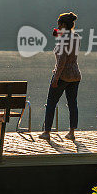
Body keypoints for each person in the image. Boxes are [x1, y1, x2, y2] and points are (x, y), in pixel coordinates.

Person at [38, 12, 81, 141]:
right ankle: (72, 132)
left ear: (63, 24)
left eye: (59, 24)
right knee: (72, 103)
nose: (57, 26)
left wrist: (56, 79)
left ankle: (46, 132)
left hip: (62, 75)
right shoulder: (76, 37)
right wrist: (59, 34)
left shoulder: (63, 39)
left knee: (51, 103)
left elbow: (61, 61)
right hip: (75, 75)